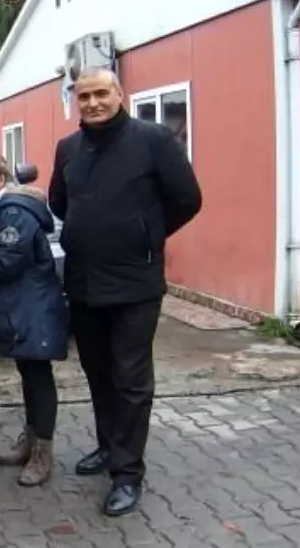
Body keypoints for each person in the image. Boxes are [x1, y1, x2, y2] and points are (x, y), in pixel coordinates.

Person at [48, 68, 202, 516]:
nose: (93, 102)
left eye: (101, 93)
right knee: (98, 374)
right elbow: (60, 202)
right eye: (85, 96)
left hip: (136, 282)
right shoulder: (68, 148)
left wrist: (145, 234)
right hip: (83, 281)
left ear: (119, 94)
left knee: (131, 379)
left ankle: (128, 473)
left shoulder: (151, 139)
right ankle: (107, 446)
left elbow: (188, 199)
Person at [0, 151, 68, 486]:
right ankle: (31, 440)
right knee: (28, 374)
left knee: (38, 377)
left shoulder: (11, 214)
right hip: (19, 306)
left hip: (32, 306)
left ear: (0, 180)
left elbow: (7, 263)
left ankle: (42, 453)